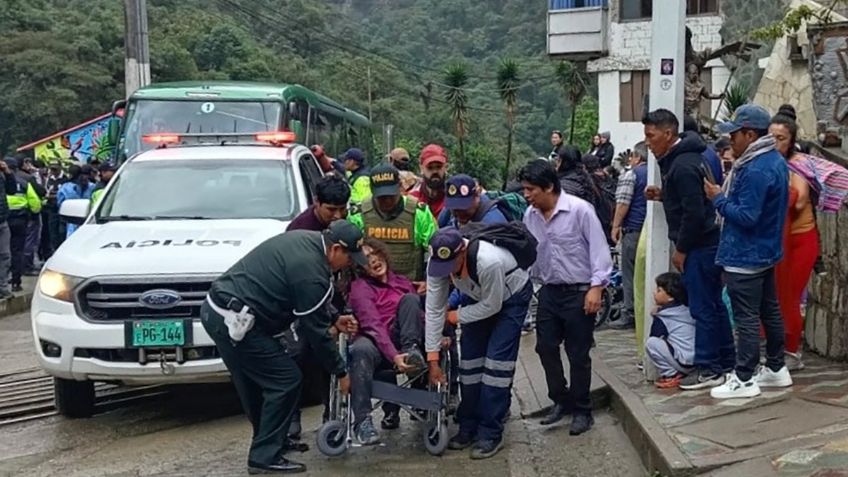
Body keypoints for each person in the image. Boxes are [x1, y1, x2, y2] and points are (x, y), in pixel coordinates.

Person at [201, 220, 365, 474]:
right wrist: (341, 372)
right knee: (285, 379)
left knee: (255, 382)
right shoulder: (311, 270)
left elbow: (307, 303)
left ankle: (270, 441)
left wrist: (334, 318)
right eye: (350, 258)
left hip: (219, 310)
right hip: (237, 322)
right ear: (335, 250)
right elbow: (317, 334)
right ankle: (264, 456)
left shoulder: (306, 240)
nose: (350, 264)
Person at [642, 109, 735, 390]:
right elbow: (691, 201)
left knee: (702, 308)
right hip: (707, 243)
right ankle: (725, 360)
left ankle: (708, 368)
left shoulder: (681, 166)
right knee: (714, 306)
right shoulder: (692, 158)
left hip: (699, 246)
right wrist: (664, 195)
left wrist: (681, 249)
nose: (647, 142)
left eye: (651, 135)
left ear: (668, 134)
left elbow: (694, 214)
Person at [704, 104, 792, 399]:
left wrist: (718, 198)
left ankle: (744, 378)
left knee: (747, 318)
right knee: (769, 311)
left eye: (735, 135)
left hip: (745, 255)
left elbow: (746, 216)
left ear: (750, 134)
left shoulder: (754, 168)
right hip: (765, 252)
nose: (730, 141)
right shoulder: (775, 161)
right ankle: (777, 368)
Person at [520, 159, 612, 436]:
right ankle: (560, 400)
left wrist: (597, 287)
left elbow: (599, 249)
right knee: (545, 348)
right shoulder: (530, 216)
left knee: (578, 354)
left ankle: (582, 410)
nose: (527, 195)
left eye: (531, 189)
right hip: (549, 291)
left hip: (580, 292)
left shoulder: (580, 211)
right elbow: (530, 255)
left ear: (549, 187)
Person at [424, 227, 532, 459]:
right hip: (476, 296)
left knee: (496, 367)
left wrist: (457, 316)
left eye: (451, 265)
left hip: (510, 299)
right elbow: (434, 310)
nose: (446, 273)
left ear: (462, 251)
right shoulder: (437, 264)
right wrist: (432, 360)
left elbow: (493, 306)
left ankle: (491, 432)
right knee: (470, 365)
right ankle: (468, 425)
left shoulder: (487, 261)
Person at [347, 238, 426, 445]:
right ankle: (363, 422)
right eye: (366, 260)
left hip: (405, 338)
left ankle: (412, 353)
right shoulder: (360, 288)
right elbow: (373, 325)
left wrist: (441, 336)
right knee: (360, 349)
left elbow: (420, 317)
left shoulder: (403, 283)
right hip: (375, 342)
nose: (373, 261)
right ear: (359, 267)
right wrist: (394, 356)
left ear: (384, 254)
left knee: (411, 300)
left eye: (375, 254)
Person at [769, 113, 817, 371]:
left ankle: (791, 350)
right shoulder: (767, 162)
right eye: (771, 137)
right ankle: (775, 347)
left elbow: (798, 201)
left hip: (799, 239)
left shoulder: (797, 163)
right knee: (774, 294)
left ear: (791, 141)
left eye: (781, 138)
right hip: (777, 239)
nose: (775, 142)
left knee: (789, 294)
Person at [349, 164, 437, 285]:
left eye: (391, 195)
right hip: (371, 288)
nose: (387, 201)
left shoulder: (419, 213)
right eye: (382, 197)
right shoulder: (358, 216)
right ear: (372, 191)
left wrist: (428, 283)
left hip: (410, 287)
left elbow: (434, 252)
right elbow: (349, 257)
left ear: (401, 187)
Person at [610, 143, 649, 330]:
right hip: (649, 229)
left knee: (630, 273)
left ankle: (630, 311)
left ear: (636, 157)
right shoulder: (654, 173)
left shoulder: (631, 174)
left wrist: (616, 225)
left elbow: (623, 203)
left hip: (633, 230)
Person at [646, 272, 696, 389]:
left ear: (670, 296)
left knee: (652, 343)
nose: (654, 293)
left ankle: (672, 374)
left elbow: (655, 335)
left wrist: (655, 315)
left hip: (683, 362)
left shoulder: (664, 315)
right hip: (698, 361)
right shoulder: (687, 310)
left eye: (658, 290)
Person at [5, 158, 41, 293]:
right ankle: (15, 282)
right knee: (17, 251)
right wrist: (33, 215)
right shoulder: (24, 182)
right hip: (20, 221)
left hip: (4, 220)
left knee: (3, 252)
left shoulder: (2, 183)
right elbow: (35, 203)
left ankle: (3, 281)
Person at [438, 174, 508, 228]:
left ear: (477, 195)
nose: (459, 213)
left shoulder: (493, 224)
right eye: (454, 208)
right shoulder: (448, 213)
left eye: (463, 207)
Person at [409, 144, 449, 218]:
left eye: (439, 167)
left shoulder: (454, 199)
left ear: (446, 167)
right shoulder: (412, 199)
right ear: (421, 169)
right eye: (430, 167)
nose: (435, 171)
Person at [57, 165, 95, 238]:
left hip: (80, 222)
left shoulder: (66, 188)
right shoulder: (66, 188)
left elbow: (60, 203)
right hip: (80, 222)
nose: (85, 177)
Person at [0, 160, 18, 299]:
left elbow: (12, 190)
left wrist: (7, 172)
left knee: (5, 255)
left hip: (2, 220)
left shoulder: (2, 174)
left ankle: (2, 287)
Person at [42, 161, 66, 260]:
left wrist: (53, 195)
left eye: (55, 169)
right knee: (52, 232)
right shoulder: (48, 179)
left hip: (63, 209)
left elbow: (64, 194)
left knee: (62, 232)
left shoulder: (65, 179)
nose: (53, 171)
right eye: (52, 169)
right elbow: (45, 193)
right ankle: (55, 252)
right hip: (51, 209)